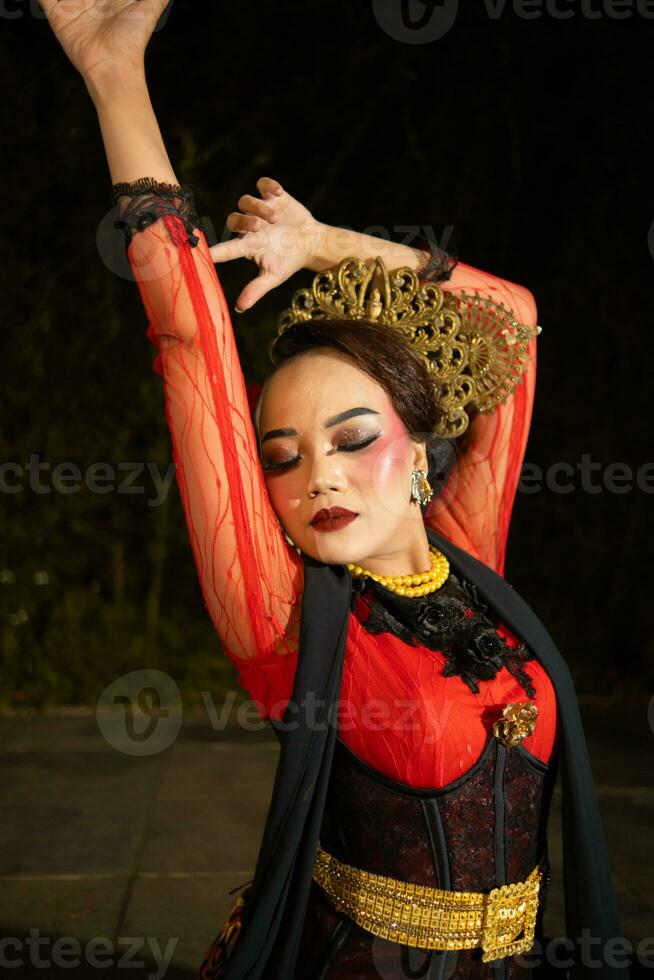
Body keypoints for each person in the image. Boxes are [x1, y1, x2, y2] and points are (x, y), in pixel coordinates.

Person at [42, 3, 629, 978]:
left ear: (419, 454)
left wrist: (320, 244)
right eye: (279, 454)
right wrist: (114, 74)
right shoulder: (288, 624)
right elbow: (188, 324)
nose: (316, 473)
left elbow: (513, 324)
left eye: (353, 439)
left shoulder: (472, 558)